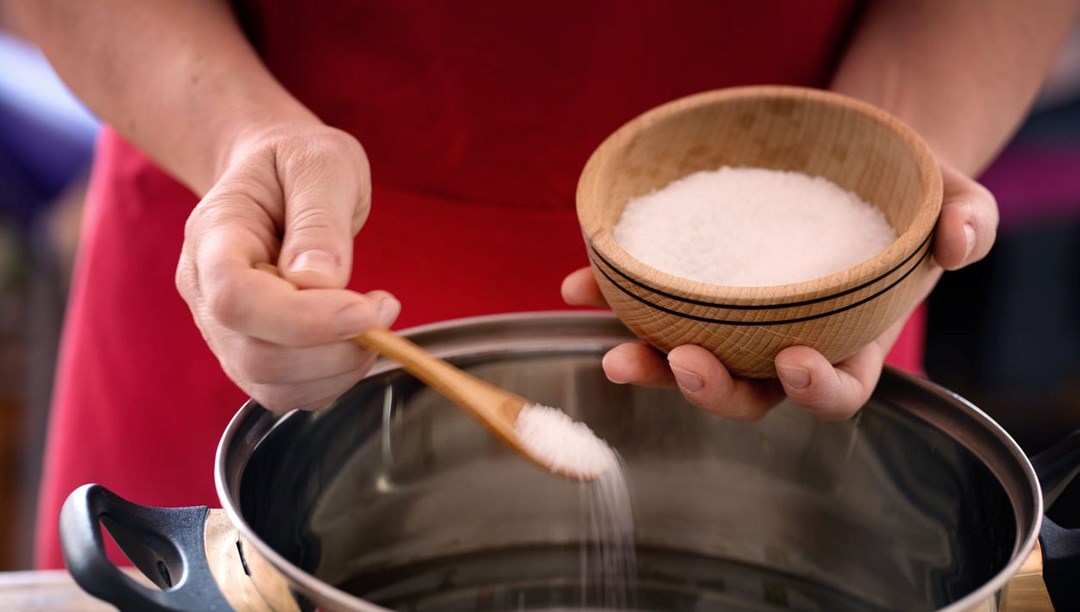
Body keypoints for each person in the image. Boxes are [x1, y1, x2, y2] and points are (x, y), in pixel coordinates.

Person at [12, 0, 1077, 569]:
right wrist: (239, 137)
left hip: (803, 299)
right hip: (267, 229)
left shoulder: (821, 256)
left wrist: (886, 160)